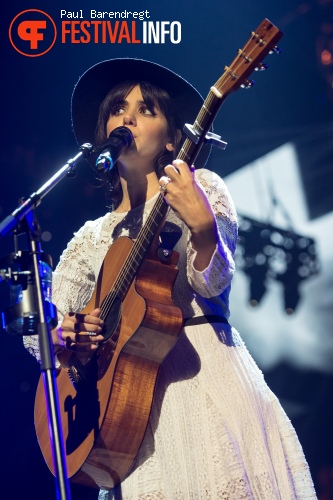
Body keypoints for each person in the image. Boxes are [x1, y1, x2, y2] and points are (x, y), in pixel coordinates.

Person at [25, 58, 316, 499]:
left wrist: (202, 227)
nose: (128, 117)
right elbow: (43, 335)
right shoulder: (90, 238)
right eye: (119, 108)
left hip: (202, 377)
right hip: (123, 415)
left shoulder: (202, 188)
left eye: (146, 110)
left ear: (172, 136)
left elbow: (211, 284)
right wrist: (64, 333)